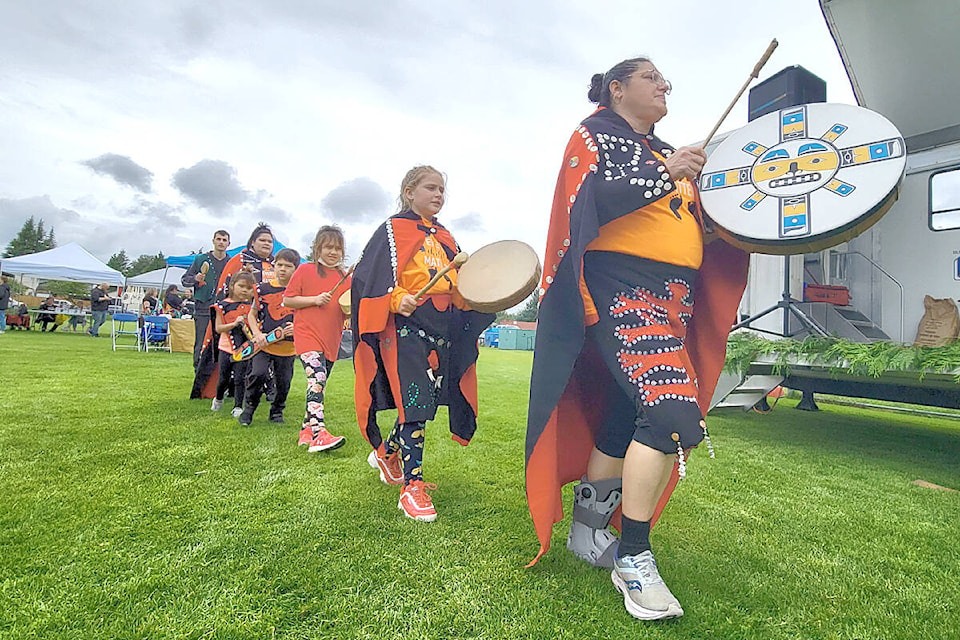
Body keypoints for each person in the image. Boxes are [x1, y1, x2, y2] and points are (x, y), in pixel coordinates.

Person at [523, 58, 749, 620]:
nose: (665, 84)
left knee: (631, 409)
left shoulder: (662, 150)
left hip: (673, 297)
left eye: (666, 78)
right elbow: (589, 203)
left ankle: (588, 529)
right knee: (674, 416)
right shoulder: (594, 133)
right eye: (652, 77)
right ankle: (633, 556)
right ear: (618, 89)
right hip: (621, 288)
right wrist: (667, 170)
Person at [351, 166, 494, 522]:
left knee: (423, 402)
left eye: (442, 189)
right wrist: (396, 297)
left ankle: (388, 455)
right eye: (431, 187)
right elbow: (369, 278)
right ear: (409, 191)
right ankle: (411, 487)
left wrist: (485, 297)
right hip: (405, 326)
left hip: (440, 327)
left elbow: (461, 287)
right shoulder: (391, 230)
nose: (438, 195)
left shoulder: (446, 238)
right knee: (414, 402)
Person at [283, 226, 351, 452]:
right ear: (318, 248)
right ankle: (319, 432)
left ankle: (306, 429)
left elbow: (347, 308)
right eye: (328, 247)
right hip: (307, 336)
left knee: (318, 385)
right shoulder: (304, 270)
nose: (333, 252)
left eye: (338, 248)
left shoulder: (344, 277)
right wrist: (314, 299)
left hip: (331, 339)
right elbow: (288, 301)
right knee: (318, 377)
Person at [191, 224, 275, 400]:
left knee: (265, 355)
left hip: (267, 318)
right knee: (235, 355)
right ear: (253, 242)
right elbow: (225, 290)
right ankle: (229, 389)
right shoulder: (240, 260)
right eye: (262, 240)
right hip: (238, 318)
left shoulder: (274, 265)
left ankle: (265, 389)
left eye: (269, 241)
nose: (267, 244)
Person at [238, 248, 300, 427]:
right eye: (279, 265)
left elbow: (308, 317)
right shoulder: (262, 289)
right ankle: (249, 408)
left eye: (288, 266)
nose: (282, 269)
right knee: (257, 374)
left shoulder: (300, 292)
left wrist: (297, 328)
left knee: (284, 382)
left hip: (288, 348)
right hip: (264, 344)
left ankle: (277, 410)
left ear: (296, 269)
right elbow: (252, 314)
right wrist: (257, 334)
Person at [182, 229, 231, 367]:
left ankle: (219, 378)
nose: (221, 242)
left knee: (223, 345)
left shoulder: (231, 262)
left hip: (224, 309)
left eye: (224, 240)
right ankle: (198, 372)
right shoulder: (201, 259)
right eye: (219, 239)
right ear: (213, 241)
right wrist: (196, 278)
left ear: (228, 243)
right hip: (203, 307)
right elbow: (185, 280)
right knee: (201, 343)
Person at [211, 271, 256, 417]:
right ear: (232, 286)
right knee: (223, 378)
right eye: (241, 286)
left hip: (245, 349)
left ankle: (238, 406)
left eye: (249, 288)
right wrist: (234, 324)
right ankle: (218, 399)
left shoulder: (253, 308)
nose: (245, 290)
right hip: (226, 347)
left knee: (240, 377)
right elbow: (218, 328)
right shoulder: (222, 306)